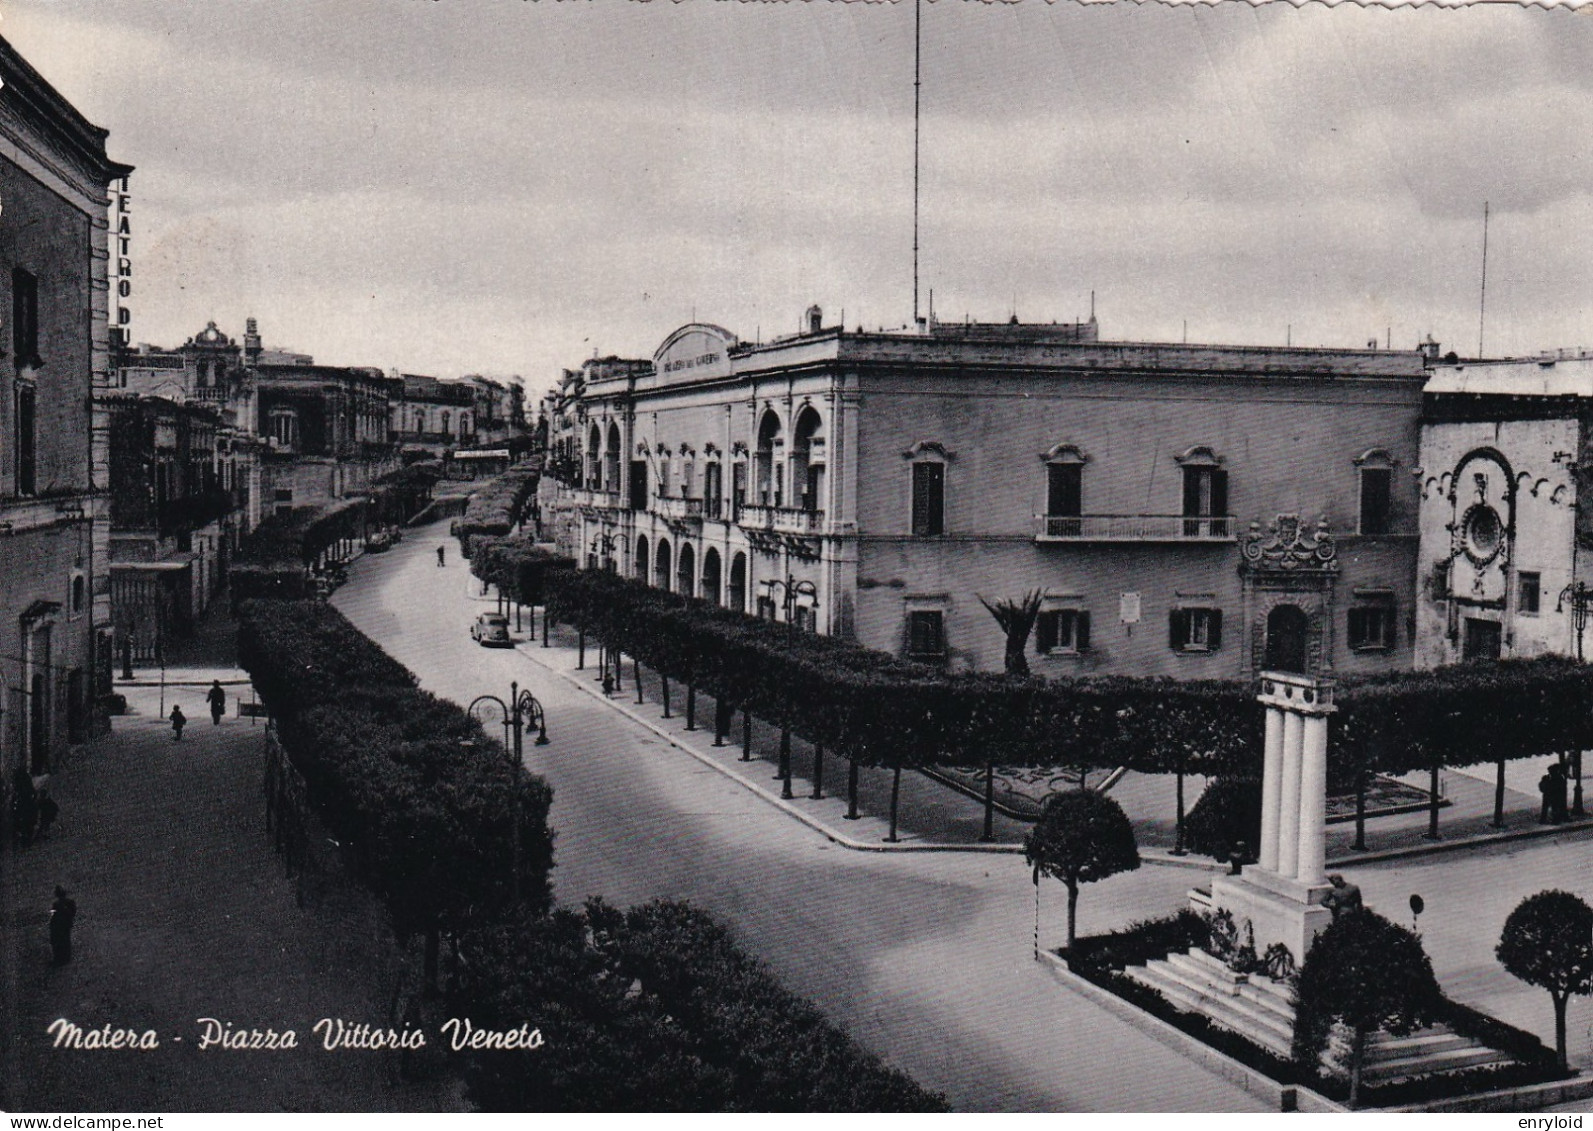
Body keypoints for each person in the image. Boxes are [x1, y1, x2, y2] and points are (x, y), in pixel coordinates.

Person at [50, 886, 76, 966]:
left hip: (59, 925)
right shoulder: (70, 902)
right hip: (65, 925)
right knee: (65, 941)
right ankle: (65, 957)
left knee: (59, 942)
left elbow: (53, 915)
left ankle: (59, 958)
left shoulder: (56, 904)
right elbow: (73, 912)